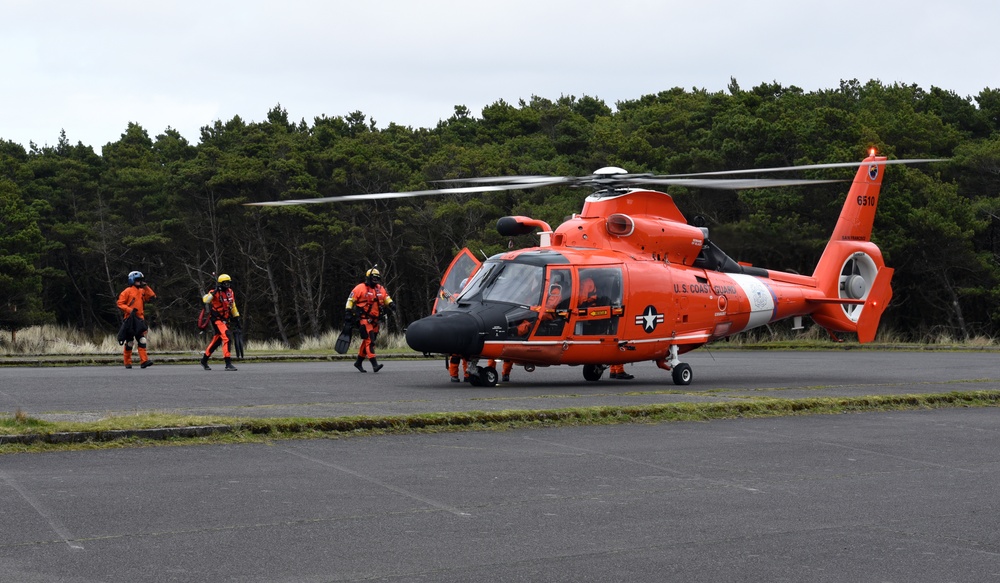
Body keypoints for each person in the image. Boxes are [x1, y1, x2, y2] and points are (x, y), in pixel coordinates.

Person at [579, 276, 634, 380]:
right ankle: (618, 370)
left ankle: (614, 370)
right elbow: (583, 299)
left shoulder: (589, 280)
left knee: (614, 338)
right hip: (598, 313)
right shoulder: (591, 281)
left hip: (598, 312)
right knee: (620, 339)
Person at [345, 267, 395, 373]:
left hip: (375, 320)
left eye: (377, 277)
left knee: (367, 341)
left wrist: (391, 304)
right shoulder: (360, 288)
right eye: (373, 277)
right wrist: (348, 312)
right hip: (364, 319)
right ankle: (374, 365)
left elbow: (386, 298)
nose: (375, 279)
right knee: (370, 341)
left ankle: (358, 362)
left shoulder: (380, 289)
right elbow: (350, 300)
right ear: (368, 277)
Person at [200, 273, 241, 371]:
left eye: (228, 283)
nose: (227, 285)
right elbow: (206, 300)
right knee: (227, 337)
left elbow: (233, 305)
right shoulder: (214, 292)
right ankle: (228, 363)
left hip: (225, 319)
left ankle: (204, 360)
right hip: (217, 319)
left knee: (217, 341)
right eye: (225, 283)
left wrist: (236, 317)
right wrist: (214, 292)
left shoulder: (230, 292)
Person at [116, 270, 156, 369]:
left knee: (142, 340)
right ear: (132, 280)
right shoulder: (127, 291)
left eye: (141, 280)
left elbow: (152, 296)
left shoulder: (142, 291)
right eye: (138, 280)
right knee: (129, 342)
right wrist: (129, 310)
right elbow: (120, 303)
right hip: (130, 319)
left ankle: (144, 361)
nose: (140, 282)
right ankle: (127, 362)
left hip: (140, 319)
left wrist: (146, 286)